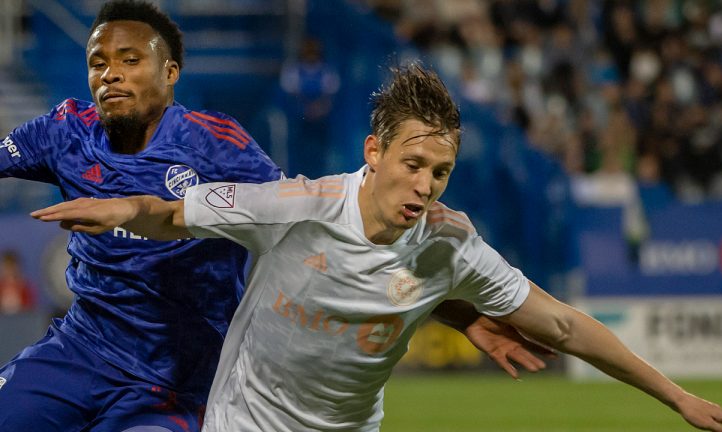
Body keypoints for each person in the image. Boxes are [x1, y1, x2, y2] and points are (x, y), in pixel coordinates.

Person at [33, 63, 722, 432]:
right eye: (413, 164)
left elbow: (562, 324)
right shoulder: (298, 207)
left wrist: (678, 398)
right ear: (373, 152)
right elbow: (173, 213)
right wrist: (125, 205)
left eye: (440, 172)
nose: (426, 184)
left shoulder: (451, 245)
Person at [0, 2, 551, 431]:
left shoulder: (216, 147)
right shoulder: (64, 130)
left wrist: (460, 312)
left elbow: (317, 231)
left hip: (181, 373)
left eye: (129, 60)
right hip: (83, 347)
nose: (111, 75)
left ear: (170, 73)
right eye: (99, 62)